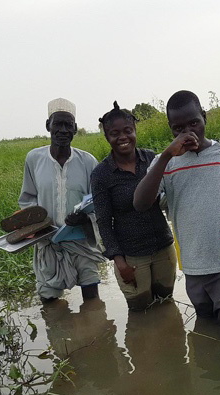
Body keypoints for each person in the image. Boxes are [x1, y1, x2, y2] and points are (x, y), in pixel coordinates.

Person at [133, 90, 220, 327]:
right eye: (178, 128)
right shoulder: (165, 163)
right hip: (193, 268)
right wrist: (167, 155)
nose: (187, 133)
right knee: (205, 325)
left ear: (204, 117)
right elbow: (140, 203)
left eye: (194, 123)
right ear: (170, 128)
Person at [91, 102, 176, 310]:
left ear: (135, 131)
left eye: (128, 131)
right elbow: (103, 220)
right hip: (132, 257)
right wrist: (119, 262)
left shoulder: (151, 159)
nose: (122, 137)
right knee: (140, 312)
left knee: (167, 306)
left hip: (163, 248)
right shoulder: (101, 174)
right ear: (106, 137)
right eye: (115, 133)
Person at [18, 97, 104, 303]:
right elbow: (27, 198)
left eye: (69, 125)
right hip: (48, 243)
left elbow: (98, 203)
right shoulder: (34, 159)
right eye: (58, 124)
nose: (63, 130)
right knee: (49, 302)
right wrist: (40, 224)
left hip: (82, 243)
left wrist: (85, 219)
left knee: (92, 301)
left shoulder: (88, 161)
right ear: (48, 126)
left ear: (75, 129)